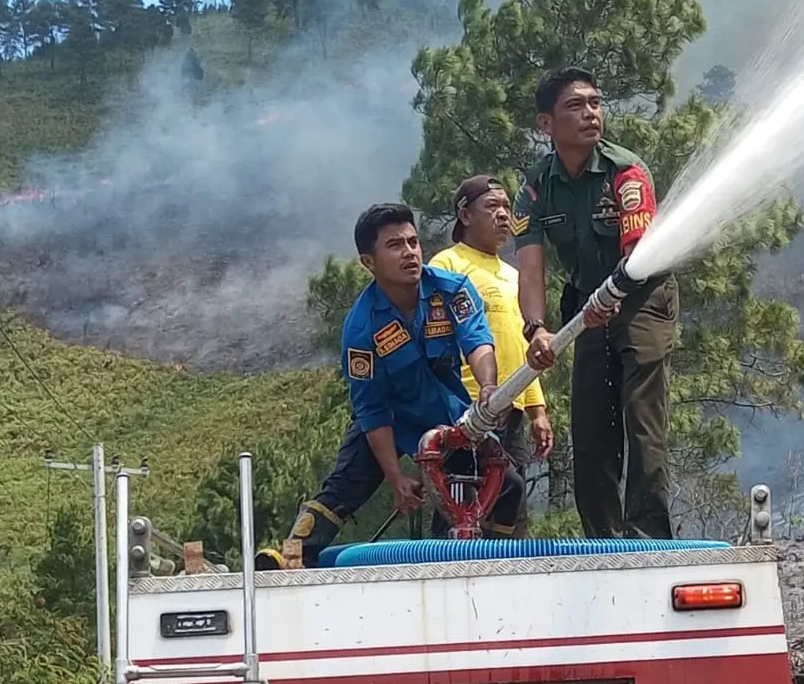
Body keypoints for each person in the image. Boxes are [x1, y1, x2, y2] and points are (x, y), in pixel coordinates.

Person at [260, 203, 525, 568]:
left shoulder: (453, 291)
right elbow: (371, 408)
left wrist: (488, 387)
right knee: (345, 483)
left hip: (448, 418)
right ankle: (290, 556)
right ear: (368, 262)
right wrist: (396, 477)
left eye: (413, 242)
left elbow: (477, 343)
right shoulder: (360, 327)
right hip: (388, 422)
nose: (410, 252)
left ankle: (488, 565)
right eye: (395, 245)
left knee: (507, 483)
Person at [514, 67, 677, 540]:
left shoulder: (626, 172)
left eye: (596, 103)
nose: (591, 113)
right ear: (546, 125)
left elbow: (638, 253)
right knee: (588, 427)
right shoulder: (536, 186)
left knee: (641, 416)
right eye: (575, 105)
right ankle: (602, 542)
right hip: (587, 303)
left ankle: (648, 539)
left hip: (642, 296)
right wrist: (536, 328)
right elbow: (530, 263)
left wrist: (616, 294)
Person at [430, 176, 554, 491]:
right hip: (467, 409)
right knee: (463, 508)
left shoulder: (514, 276)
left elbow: (524, 345)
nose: (503, 215)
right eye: (492, 206)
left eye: (507, 207)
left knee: (511, 513)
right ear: (465, 215)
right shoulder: (446, 264)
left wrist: (537, 411)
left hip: (512, 412)